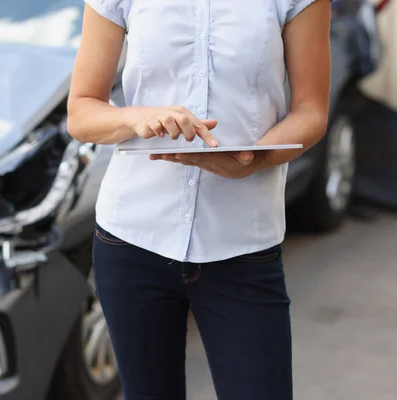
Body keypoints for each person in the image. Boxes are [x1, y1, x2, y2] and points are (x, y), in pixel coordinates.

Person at [67, 0, 331, 399]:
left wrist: (253, 160)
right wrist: (133, 117)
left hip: (242, 244)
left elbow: (311, 111)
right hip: (132, 241)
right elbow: (81, 111)